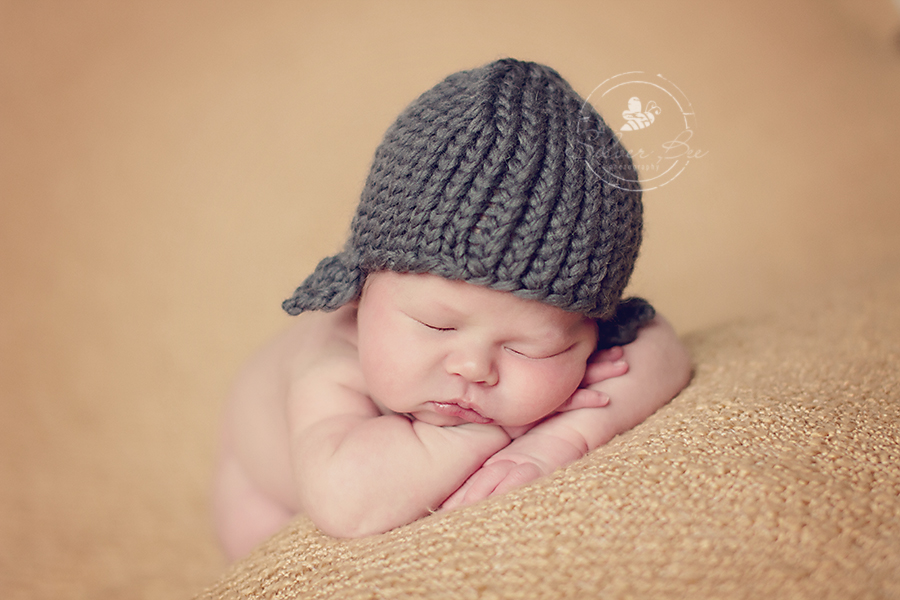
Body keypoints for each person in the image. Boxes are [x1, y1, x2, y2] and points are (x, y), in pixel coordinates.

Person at [213, 58, 692, 561]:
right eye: (436, 324)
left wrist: (566, 436)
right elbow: (345, 501)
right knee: (253, 539)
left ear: (593, 331)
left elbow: (664, 351)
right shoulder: (332, 362)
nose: (474, 368)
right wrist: (509, 428)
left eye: (528, 349)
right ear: (362, 290)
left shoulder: (587, 329)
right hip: (259, 477)